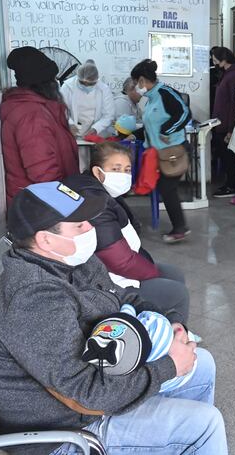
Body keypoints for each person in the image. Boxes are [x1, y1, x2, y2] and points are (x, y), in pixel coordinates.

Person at [0, 182, 226, 455]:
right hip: (66, 433)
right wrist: (169, 367)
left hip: (99, 389)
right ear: (45, 239)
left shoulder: (71, 261)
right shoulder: (32, 300)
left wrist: (168, 321)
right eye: (79, 225)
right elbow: (87, 395)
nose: (90, 228)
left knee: (202, 363)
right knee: (204, 425)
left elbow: (122, 297)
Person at [63, 142, 190, 323]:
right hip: (107, 282)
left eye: (127, 170)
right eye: (115, 169)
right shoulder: (95, 202)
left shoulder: (96, 190)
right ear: (98, 172)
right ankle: (172, 336)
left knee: (174, 273)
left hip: (112, 268)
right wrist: (152, 273)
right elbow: (119, 261)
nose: (122, 175)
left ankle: (162, 325)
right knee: (178, 293)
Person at [1, 46, 79, 206]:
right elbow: (44, 174)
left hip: (45, 200)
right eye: (53, 78)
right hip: (40, 205)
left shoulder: (40, 109)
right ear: (45, 83)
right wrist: (70, 201)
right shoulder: (31, 114)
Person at [131, 59, 192, 243]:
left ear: (142, 80)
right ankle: (180, 227)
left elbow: (184, 113)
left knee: (167, 189)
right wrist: (133, 134)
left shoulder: (165, 92)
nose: (135, 87)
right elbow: (151, 125)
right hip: (159, 154)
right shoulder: (151, 99)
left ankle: (180, 228)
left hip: (173, 152)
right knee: (166, 189)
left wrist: (167, 130)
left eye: (135, 83)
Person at [82, 304, 196, 393]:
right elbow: (88, 391)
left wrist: (174, 324)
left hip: (151, 377)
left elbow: (127, 299)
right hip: (128, 389)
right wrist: (170, 366)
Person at [212, 47, 235, 198]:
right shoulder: (227, 74)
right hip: (221, 123)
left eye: (215, 59)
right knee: (224, 156)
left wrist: (231, 129)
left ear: (224, 59)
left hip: (227, 125)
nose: (213, 62)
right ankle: (229, 183)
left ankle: (232, 185)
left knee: (229, 157)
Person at [60, 59, 116, 138]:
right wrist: (70, 124)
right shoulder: (68, 87)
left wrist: (96, 129)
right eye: (82, 83)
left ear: (97, 79)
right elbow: (61, 110)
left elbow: (108, 115)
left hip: (96, 132)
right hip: (72, 130)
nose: (86, 86)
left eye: (90, 84)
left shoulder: (104, 90)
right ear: (78, 77)